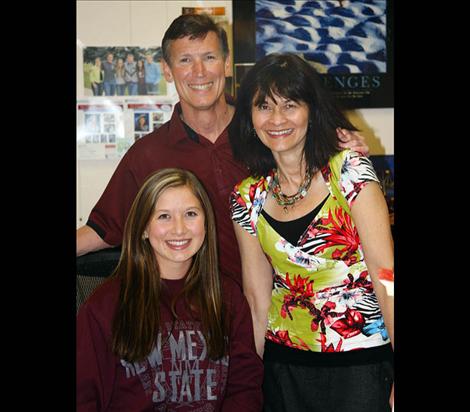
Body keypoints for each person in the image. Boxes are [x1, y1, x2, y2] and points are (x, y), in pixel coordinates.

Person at [76, 13, 368, 288]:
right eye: (185, 60)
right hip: (199, 317)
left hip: (288, 306)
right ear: (166, 69)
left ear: (226, 63)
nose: (199, 72)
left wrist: (345, 146)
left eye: (209, 57)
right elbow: (104, 229)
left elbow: (331, 173)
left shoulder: (270, 131)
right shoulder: (148, 154)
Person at [229, 52, 394, 412]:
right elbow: (257, 300)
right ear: (249, 116)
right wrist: (250, 382)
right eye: (264, 106)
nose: (276, 119)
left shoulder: (349, 171)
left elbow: (388, 278)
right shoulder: (247, 198)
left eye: (290, 105)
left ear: (311, 110)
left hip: (360, 362)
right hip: (284, 367)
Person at [77, 168, 263, 411]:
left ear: (206, 224)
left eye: (191, 214)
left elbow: (245, 389)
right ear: (143, 228)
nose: (179, 229)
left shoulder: (226, 297)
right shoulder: (105, 306)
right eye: (164, 216)